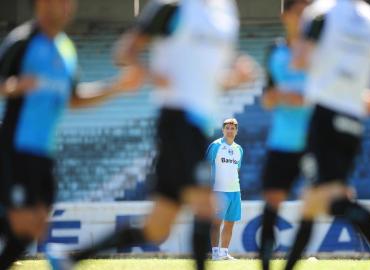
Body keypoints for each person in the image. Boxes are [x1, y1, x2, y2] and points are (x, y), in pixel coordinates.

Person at [47, 0, 255, 270]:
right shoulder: (172, 8)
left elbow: (209, 79)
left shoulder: (226, 13)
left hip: (199, 124)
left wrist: (235, 79)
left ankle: (71, 257)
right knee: (206, 205)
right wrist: (149, 74)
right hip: (177, 119)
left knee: (157, 228)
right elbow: (124, 52)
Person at [0, 0, 143, 268]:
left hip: (45, 153)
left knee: (33, 227)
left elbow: (74, 99)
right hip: (16, 148)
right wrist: (14, 86)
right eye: (63, 2)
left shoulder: (65, 48)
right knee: (24, 222)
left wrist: (118, 87)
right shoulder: (22, 41)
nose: (69, 7)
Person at [282, 0, 370, 269]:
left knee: (330, 199)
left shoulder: (322, 14)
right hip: (353, 121)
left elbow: (300, 61)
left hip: (324, 116)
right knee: (313, 200)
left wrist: (293, 28)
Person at [258, 1, 311, 269]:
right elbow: (267, 99)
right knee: (272, 204)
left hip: (315, 142)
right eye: (300, 12)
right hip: (282, 141)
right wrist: (282, 97)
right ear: (285, 16)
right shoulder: (275, 52)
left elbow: (317, 98)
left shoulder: (320, 52)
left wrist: (286, 96)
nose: (305, 18)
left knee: (316, 206)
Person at [207, 118, 243, 260]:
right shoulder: (216, 146)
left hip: (235, 191)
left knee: (230, 223)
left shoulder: (239, 149)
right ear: (223, 130)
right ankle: (215, 253)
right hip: (218, 191)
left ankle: (224, 252)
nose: (229, 130)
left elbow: (237, 169)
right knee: (216, 223)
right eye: (227, 128)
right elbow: (206, 165)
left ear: (236, 131)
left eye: (232, 128)